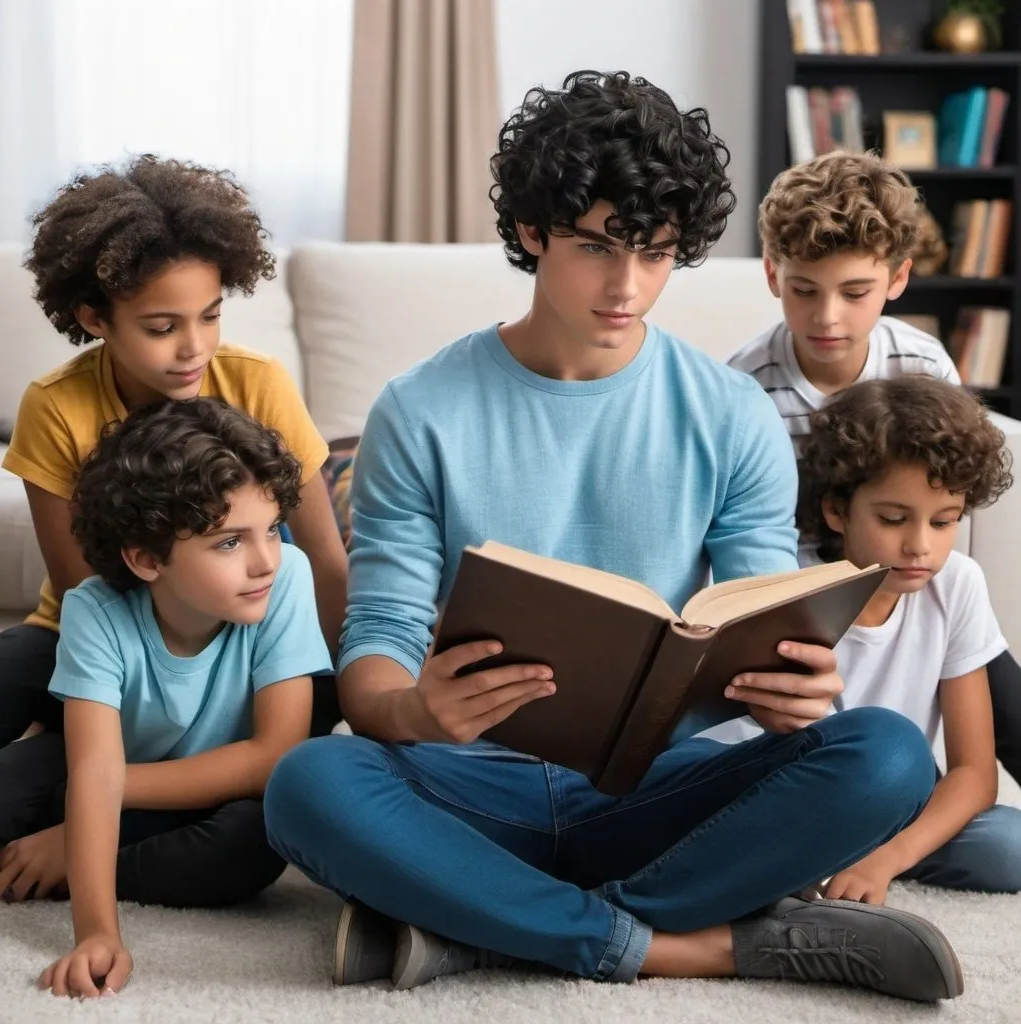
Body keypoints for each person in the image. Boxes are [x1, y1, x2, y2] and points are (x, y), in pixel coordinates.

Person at [262, 72, 961, 1002]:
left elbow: (759, 617)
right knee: (309, 783)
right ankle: (689, 944)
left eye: (657, 253)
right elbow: (377, 645)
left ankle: (483, 929)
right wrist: (415, 715)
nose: (628, 286)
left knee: (888, 756)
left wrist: (795, 688)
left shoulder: (731, 415)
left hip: (659, 789)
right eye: (597, 246)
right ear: (530, 233)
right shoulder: (419, 410)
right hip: (469, 784)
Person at [0, 155, 346, 751]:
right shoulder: (55, 406)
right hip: (100, 641)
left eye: (210, 317)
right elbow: (87, 590)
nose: (195, 349)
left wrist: (353, 685)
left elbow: (323, 559)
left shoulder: (257, 382)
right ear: (94, 318)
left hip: (235, 636)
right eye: (162, 328)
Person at [0, 398, 333, 998]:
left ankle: (75, 865)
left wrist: (74, 841)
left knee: (254, 843)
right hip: (104, 768)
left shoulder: (286, 579)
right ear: (147, 558)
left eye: (271, 530)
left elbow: (273, 753)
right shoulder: (94, 611)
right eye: (230, 543)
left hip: (215, 787)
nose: (264, 562)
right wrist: (96, 934)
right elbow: (91, 768)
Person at [726, 149, 1021, 787]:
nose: (827, 317)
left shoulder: (923, 362)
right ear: (774, 275)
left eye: (855, 292)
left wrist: (928, 566)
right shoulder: (742, 388)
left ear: (897, 278)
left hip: (909, 571)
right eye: (804, 289)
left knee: (975, 624)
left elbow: (950, 493)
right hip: (802, 593)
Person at [795, 377, 1021, 900]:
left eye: (944, 522)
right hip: (803, 804)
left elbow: (973, 772)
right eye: (893, 519)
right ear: (837, 510)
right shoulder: (791, 584)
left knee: (1009, 846)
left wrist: (885, 862)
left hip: (899, 808)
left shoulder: (958, 584)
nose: (920, 545)